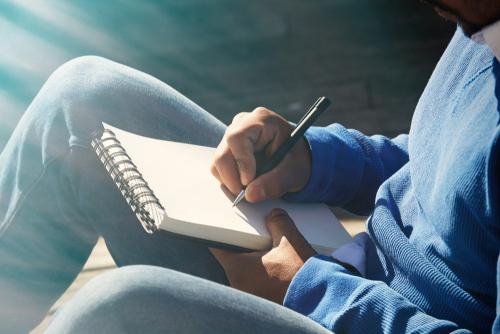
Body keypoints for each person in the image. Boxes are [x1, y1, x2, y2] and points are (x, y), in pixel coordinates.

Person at [0, 0, 499, 333]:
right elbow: (443, 166)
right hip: (338, 274)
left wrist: (312, 291)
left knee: (114, 311)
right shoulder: (480, 20)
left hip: (346, 312)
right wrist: (310, 159)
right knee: (84, 97)